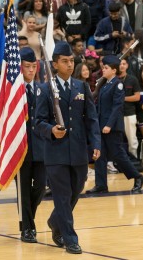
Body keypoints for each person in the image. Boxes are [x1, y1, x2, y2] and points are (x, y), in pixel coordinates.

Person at [35, 41, 101, 254]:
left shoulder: (81, 87)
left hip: (78, 150)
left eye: (72, 61)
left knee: (76, 190)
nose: (70, 65)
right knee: (62, 195)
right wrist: (52, 130)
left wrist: (96, 144)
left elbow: (91, 118)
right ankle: (70, 238)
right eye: (65, 61)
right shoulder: (45, 89)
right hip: (56, 152)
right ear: (55, 64)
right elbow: (38, 122)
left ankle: (55, 221)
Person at [86, 55, 143, 194]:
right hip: (102, 125)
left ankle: (138, 177)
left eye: (106, 68)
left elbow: (117, 106)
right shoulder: (105, 84)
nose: (103, 70)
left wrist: (109, 125)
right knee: (99, 155)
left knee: (118, 156)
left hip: (112, 127)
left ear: (114, 70)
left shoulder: (117, 84)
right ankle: (101, 184)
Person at [16, 47, 46, 243]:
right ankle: (28, 227)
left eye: (34, 66)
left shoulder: (42, 88)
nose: (31, 70)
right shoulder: (14, 92)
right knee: (24, 189)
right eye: (27, 67)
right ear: (20, 68)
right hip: (21, 146)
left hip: (41, 146)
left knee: (41, 186)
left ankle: (27, 218)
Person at [119, 58, 140, 159]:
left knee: (132, 139)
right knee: (117, 140)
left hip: (129, 113)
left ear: (127, 66)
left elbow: (137, 97)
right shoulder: (113, 79)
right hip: (116, 114)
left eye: (124, 64)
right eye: (120, 64)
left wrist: (122, 98)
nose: (122, 66)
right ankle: (118, 162)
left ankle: (134, 159)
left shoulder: (133, 79)